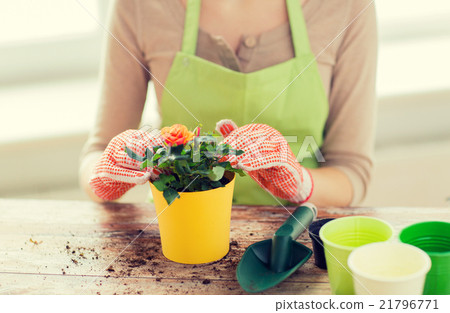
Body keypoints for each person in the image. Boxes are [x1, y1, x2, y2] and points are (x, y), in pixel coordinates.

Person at [80, 0, 377, 207]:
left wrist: (301, 183)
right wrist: (108, 173)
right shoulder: (140, 6)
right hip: (178, 235)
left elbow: (352, 171)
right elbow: (97, 152)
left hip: (293, 241)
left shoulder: (347, 5)